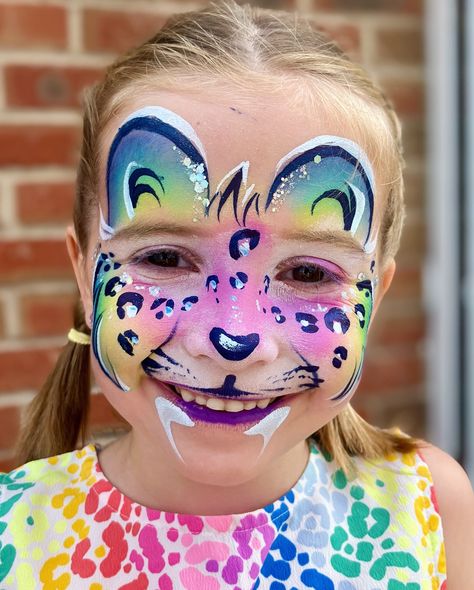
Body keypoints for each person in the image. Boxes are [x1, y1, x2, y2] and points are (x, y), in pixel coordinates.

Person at [1, 1, 472, 588]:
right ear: (84, 270)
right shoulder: (14, 533)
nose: (235, 338)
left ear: (375, 296)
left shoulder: (427, 507)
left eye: (309, 274)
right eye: (165, 258)